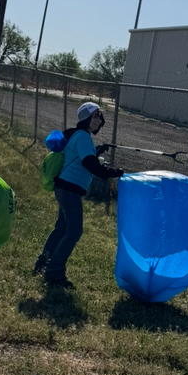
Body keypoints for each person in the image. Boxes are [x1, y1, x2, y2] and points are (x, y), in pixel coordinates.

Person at [35, 101, 123, 289]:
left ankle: (43, 263)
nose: (98, 120)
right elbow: (90, 164)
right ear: (85, 118)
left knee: (62, 228)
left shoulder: (78, 135)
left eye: (99, 117)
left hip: (64, 187)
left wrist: (96, 150)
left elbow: (82, 156)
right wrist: (113, 172)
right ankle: (54, 272)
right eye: (94, 116)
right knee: (74, 230)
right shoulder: (82, 136)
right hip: (69, 189)